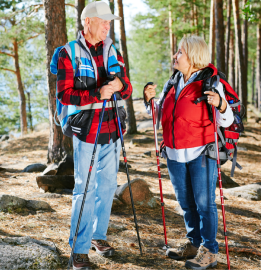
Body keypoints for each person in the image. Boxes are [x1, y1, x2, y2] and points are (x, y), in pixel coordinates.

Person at [144, 36, 233, 270]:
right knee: (186, 204)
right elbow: (160, 116)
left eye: (180, 52)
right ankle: (193, 244)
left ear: (193, 56)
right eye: (177, 52)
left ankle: (210, 251)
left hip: (201, 152)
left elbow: (227, 119)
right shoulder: (172, 82)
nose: (175, 55)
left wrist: (220, 104)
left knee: (204, 204)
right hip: (174, 154)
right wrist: (150, 102)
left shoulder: (210, 81)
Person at [56, 2, 133, 270]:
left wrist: (121, 85)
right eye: (103, 21)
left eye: (109, 22)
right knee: (85, 190)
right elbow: (64, 94)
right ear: (87, 21)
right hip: (86, 131)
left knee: (108, 186)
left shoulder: (113, 49)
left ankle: (98, 237)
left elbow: (128, 86)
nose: (107, 25)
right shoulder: (69, 53)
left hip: (112, 129)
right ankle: (78, 250)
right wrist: (95, 94)